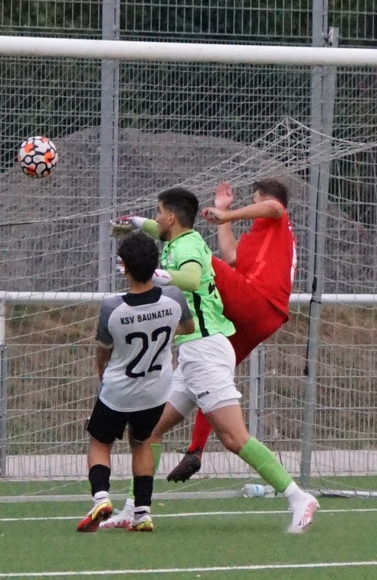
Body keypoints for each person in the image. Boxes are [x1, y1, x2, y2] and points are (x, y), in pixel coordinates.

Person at [104, 187, 319, 534]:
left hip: (206, 350)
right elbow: (159, 230)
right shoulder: (176, 239)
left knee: (234, 438)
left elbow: (190, 278)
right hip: (193, 352)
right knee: (147, 432)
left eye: (158, 212)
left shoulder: (188, 246)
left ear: (171, 217)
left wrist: (153, 275)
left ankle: (298, 497)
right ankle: (134, 508)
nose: (156, 218)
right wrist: (135, 222)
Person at [165, 178, 296, 482]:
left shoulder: (277, 219)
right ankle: (195, 450)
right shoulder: (259, 237)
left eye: (254, 200)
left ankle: (165, 302)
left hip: (257, 301)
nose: (252, 206)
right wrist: (223, 213)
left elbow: (274, 207)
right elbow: (232, 257)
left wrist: (228, 215)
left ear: (261, 199)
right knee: (214, 378)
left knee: (198, 254)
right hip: (265, 318)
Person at [76, 231, 195, 533]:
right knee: (141, 443)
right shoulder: (174, 297)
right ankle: (142, 513)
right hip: (156, 389)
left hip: (119, 389)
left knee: (100, 442)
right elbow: (187, 327)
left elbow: (103, 351)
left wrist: (102, 374)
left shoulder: (112, 308)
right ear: (155, 266)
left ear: (124, 267)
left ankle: (101, 498)